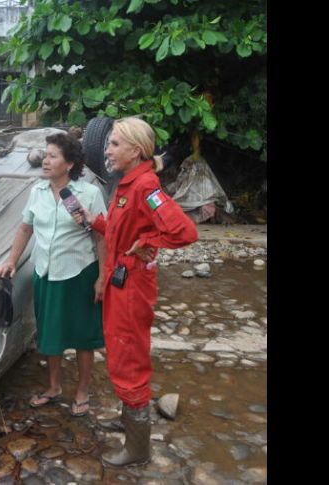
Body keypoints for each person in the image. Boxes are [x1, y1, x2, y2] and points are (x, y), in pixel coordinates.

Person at [73, 117, 198, 467]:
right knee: (119, 349)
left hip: (132, 287)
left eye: (114, 144)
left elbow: (185, 232)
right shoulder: (127, 185)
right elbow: (117, 230)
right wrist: (92, 221)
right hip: (118, 282)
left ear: (136, 150)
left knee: (130, 357)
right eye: (109, 143)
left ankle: (139, 448)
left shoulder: (146, 187)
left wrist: (148, 241)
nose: (107, 150)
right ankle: (129, 417)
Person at [0, 132, 107, 417]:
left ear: (69, 164)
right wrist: (11, 261)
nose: (45, 161)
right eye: (45, 155)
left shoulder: (89, 194)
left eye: (52, 156)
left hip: (79, 272)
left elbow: (102, 238)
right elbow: (25, 228)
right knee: (50, 333)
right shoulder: (37, 192)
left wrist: (102, 277)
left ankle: (82, 390)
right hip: (45, 272)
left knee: (83, 336)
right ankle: (54, 387)